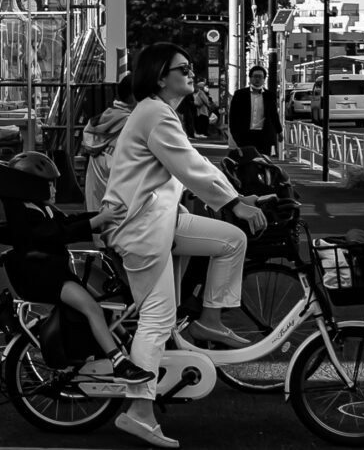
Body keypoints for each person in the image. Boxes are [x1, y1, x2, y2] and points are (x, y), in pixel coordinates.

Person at [102, 41, 271, 449]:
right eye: (183, 68)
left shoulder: (163, 113)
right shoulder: (155, 114)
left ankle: (209, 321)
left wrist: (235, 199)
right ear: (161, 77)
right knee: (158, 318)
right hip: (140, 228)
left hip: (161, 220)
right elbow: (189, 166)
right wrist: (232, 202)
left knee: (230, 240)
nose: (191, 73)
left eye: (191, 66)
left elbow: (195, 161)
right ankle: (138, 412)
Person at [0, 150, 147, 383]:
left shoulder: (38, 207)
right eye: (49, 185)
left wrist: (104, 217)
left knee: (99, 301)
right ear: (30, 186)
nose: (54, 190)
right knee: (92, 309)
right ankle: (119, 362)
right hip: (42, 277)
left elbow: (68, 222)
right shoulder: (23, 214)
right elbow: (57, 233)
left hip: (50, 272)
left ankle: (127, 340)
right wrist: (97, 221)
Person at [229, 66, 283, 156]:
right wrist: (236, 135)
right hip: (245, 136)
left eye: (260, 77)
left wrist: (279, 131)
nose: (257, 79)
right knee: (248, 163)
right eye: (255, 76)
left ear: (264, 79)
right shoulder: (240, 94)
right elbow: (233, 117)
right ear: (250, 78)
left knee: (264, 163)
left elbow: (274, 115)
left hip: (264, 135)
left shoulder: (270, 96)